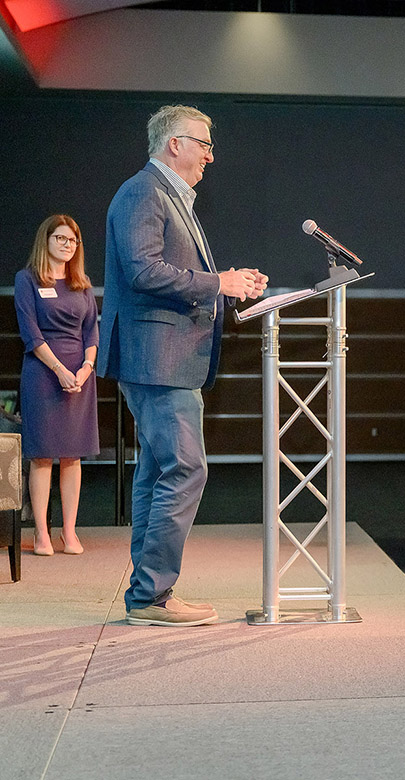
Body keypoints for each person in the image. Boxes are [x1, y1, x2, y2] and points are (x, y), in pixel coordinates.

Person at [98, 104, 267, 627]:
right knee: (186, 469)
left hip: (166, 359)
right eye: (203, 144)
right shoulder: (143, 192)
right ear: (174, 143)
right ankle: (151, 596)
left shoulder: (169, 196)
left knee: (158, 472)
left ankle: (147, 593)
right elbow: (144, 270)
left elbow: (169, 271)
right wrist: (219, 283)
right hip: (157, 359)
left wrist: (231, 285)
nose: (210, 156)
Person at [15, 215, 99, 557]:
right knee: (41, 456)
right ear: (46, 240)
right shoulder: (27, 279)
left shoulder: (82, 283)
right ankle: (41, 534)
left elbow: (92, 330)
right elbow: (30, 331)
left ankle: (69, 531)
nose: (67, 245)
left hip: (79, 378)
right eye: (61, 238)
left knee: (72, 456)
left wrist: (86, 368)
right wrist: (60, 370)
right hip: (43, 374)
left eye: (73, 241)